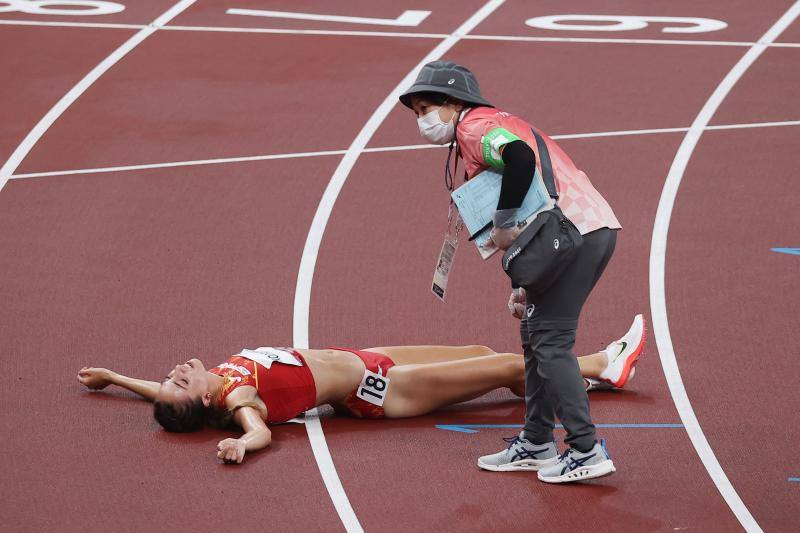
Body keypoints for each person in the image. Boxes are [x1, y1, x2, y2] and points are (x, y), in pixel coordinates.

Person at [399, 61, 625, 483]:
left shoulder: (474, 127)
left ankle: (585, 449)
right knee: (534, 335)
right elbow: (530, 204)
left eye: (428, 107)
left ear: (454, 103)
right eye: (416, 113)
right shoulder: (490, 124)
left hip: (571, 235)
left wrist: (502, 222)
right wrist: (523, 284)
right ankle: (537, 441)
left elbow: (520, 160)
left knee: (551, 343)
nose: (423, 120)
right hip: (581, 233)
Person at [77, 316, 643, 465]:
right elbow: (259, 434)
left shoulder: (208, 387)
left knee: (478, 353)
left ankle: (569, 381)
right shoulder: (236, 402)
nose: (175, 369)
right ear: (203, 401)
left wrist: (113, 378)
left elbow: (158, 393)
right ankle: (602, 365)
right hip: (380, 391)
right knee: (497, 366)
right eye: (180, 379)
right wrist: (240, 447)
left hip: (367, 357)